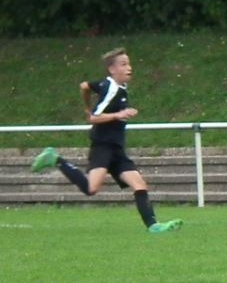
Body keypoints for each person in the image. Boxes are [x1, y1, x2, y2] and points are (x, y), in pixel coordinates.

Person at [30, 47, 182, 233]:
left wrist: (87, 107)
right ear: (112, 69)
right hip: (103, 146)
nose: (129, 68)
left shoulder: (113, 85)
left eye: (129, 64)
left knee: (139, 184)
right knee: (91, 189)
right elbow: (95, 118)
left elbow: (85, 86)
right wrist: (118, 114)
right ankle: (55, 159)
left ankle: (153, 226)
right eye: (123, 64)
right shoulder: (112, 89)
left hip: (117, 149)